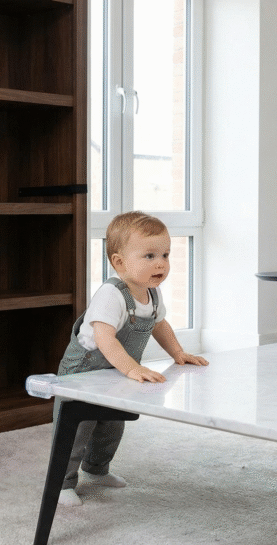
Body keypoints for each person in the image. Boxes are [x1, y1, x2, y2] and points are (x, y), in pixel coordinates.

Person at [55, 211, 209, 507]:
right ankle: (62, 483)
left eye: (165, 254)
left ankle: (97, 470)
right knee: (76, 428)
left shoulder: (153, 294)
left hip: (116, 371)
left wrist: (178, 353)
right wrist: (132, 367)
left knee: (111, 425)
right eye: (149, 256)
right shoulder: (111, 294)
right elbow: (104, 338)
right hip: (83, 371)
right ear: (119, 262)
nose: (160, 263)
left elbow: (159, 325)